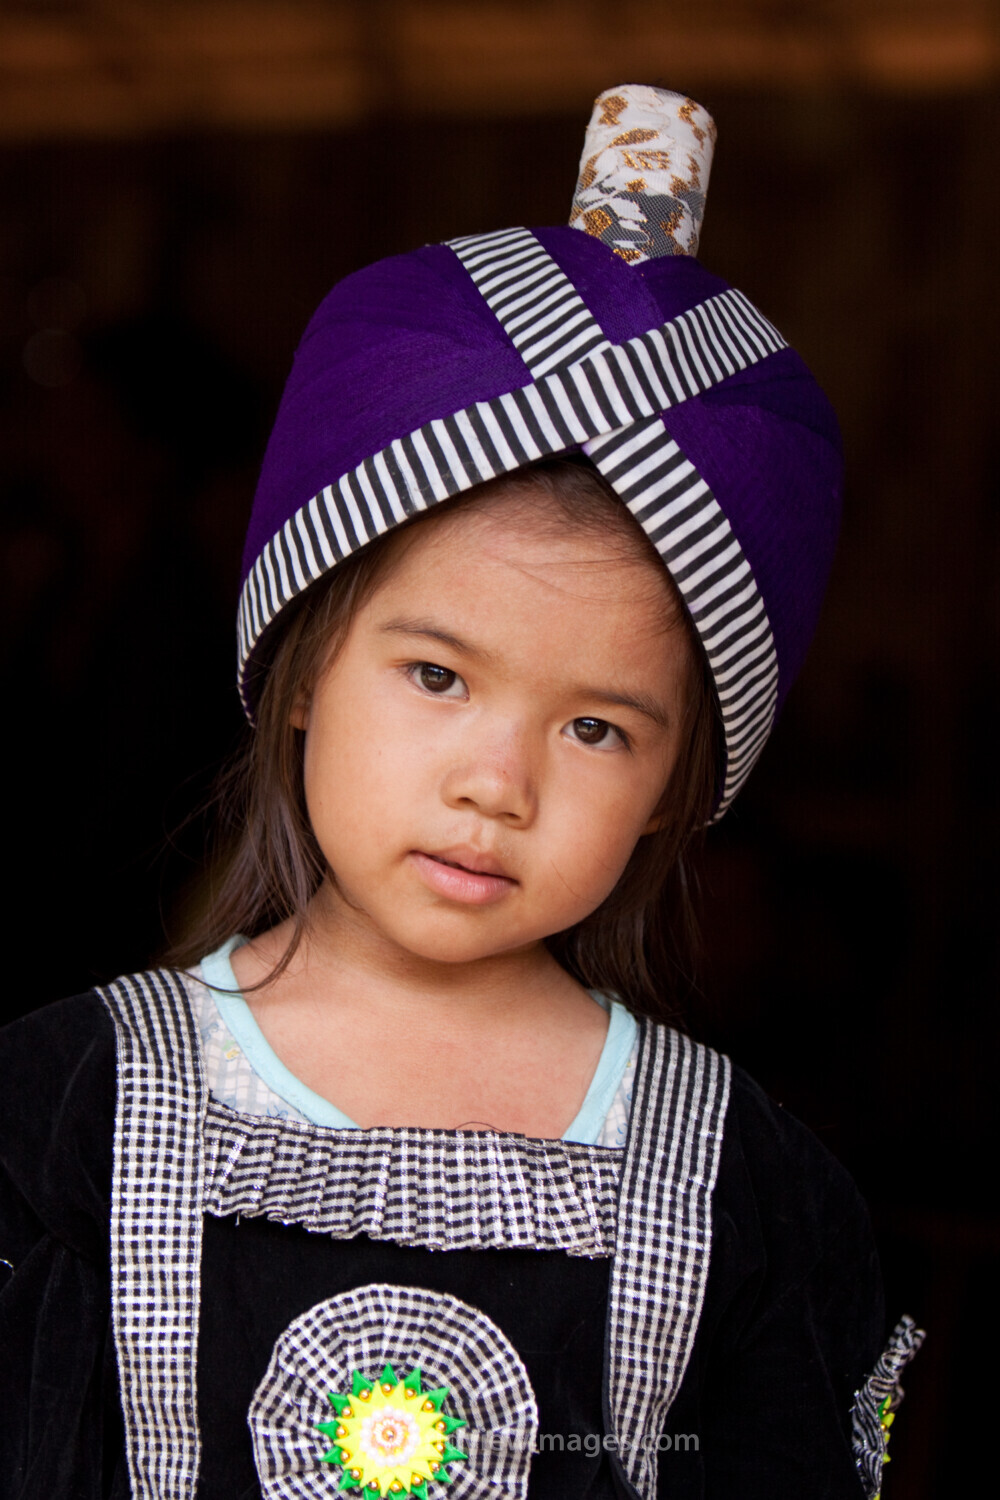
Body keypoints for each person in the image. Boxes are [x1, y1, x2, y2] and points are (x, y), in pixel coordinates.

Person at [0, 86, 922, 1500]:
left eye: (601, 730)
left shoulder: (749, 1196)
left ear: (682, 781)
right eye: (437, 677)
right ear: (305, 666)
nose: (499, 783)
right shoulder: (67, 1114)